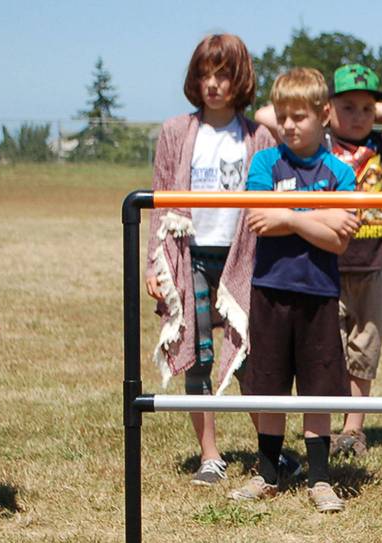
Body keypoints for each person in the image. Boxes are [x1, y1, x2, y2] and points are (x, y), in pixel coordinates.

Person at [257, 64, 382, 456]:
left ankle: (354, 428)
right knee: (325, 350)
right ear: (326, 111)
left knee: (363, 349)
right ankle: (324, 425)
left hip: (372, 264)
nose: (358, 117)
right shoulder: (319, 146)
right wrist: (331, 111)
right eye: (347, 108)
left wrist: (373, 112)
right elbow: (266, 114)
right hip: (326, 261)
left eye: (366, 109)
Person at [144, 34, 280, 487]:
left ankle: (270, 454)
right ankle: (210, 455)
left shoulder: (258, 136)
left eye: (223, 74)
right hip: (190, 258)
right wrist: (154, 265)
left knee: (250, 359)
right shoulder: (176, 131)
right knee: (198, 356)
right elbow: (161, 202)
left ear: (239, 79)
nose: (213, 84)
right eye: (205, 74)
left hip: (243, 260)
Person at [227, 67, 359, 512]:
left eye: (298, 116)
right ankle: (267, 473)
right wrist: (314, 218)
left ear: (324, 115)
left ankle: (320, 479)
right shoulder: (265, 163)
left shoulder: (339, 171)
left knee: (318, 387)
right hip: (270, 290)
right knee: (269, 385)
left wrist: (290, 218)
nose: (288, 125)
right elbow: (261, 220)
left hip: (319, 293)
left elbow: (340, 238)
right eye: (281, 116)